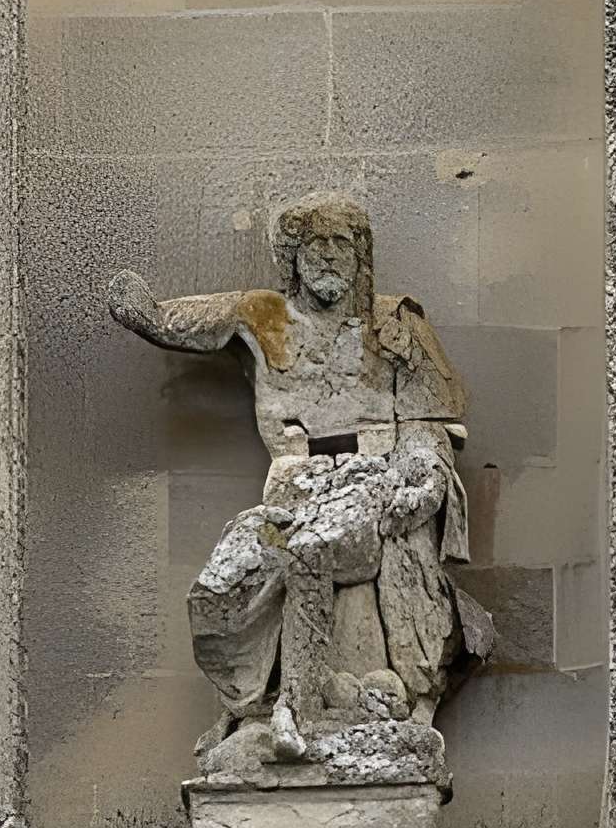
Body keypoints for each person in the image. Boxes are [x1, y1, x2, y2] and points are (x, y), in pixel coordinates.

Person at [107, 196, 488, 762]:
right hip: (291, 490)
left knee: (314, 553)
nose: (330, 256)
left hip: (374, 483)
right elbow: (184, 321)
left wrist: (426, 481)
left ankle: (300, 710)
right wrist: (139, 310)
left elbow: (428, 426)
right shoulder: (266, 317)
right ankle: (253, 704)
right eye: (317, 244)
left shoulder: (395, 326)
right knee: (224, 581)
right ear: (294, 256)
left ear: (363, 256)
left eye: (342, 244)